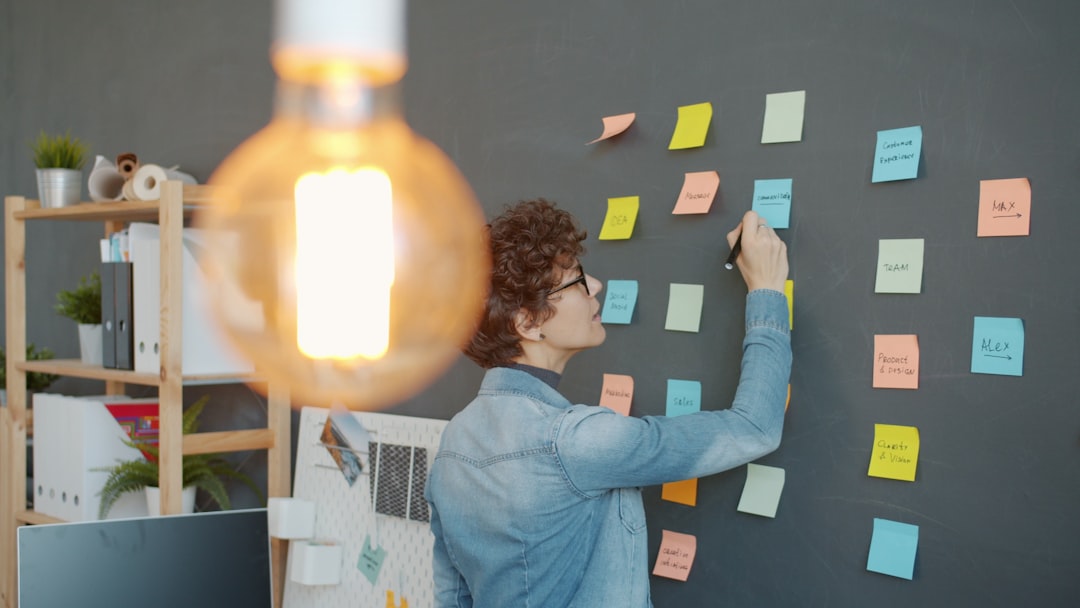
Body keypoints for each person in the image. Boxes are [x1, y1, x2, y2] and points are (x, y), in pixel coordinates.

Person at [425, 199, 791, 607]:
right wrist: (768, 290)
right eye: (576, 281)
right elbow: (755, 427)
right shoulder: (577, 441)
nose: (595, 286)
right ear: (528, 323)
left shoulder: (453, 445)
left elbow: (452, 597)